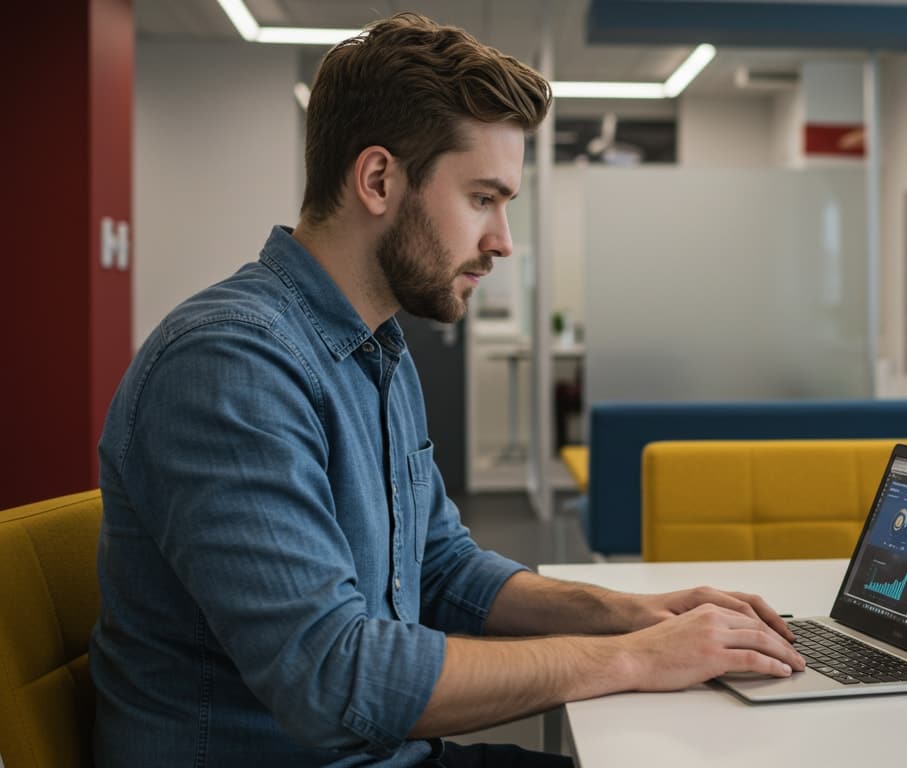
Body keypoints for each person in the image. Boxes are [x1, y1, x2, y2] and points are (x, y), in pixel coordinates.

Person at [90, 13, 803, 768]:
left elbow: (440, 568)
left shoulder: (376, 347)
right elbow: (335, 679)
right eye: (483, 199)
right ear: (377, 180)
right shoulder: (230, 365)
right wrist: (633, 660)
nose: (502, 241)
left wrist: (630, 617)